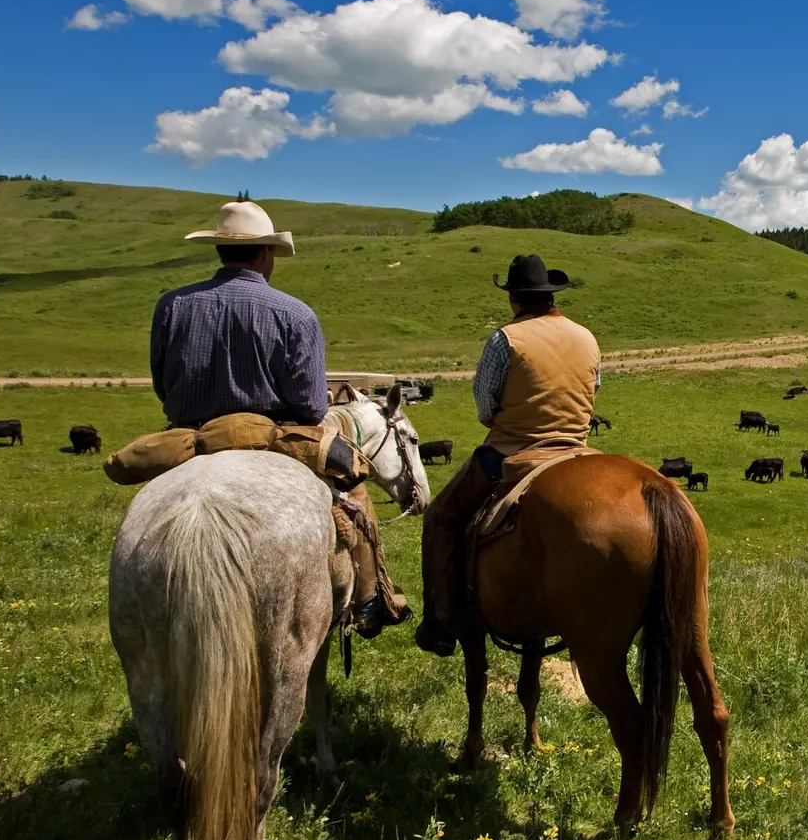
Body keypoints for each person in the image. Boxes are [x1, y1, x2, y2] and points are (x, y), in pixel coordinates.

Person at [150, 200, 409, 637]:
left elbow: (163, 385)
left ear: (219, 249)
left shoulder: (172, 306)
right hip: (274, 438)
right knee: (359, 499)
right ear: (267, 253)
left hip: (192, 439)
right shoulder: (293, 313)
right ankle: (369, 600)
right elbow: (311, 407)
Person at [416, 253, 601, 657]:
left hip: (512, 453)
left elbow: (484, 406)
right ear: (551, 295)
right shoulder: (586, 336)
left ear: (514, 299)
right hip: (576, 452)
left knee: (441, 517)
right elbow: (593, 391)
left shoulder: (505, 339)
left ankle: (441, 620)